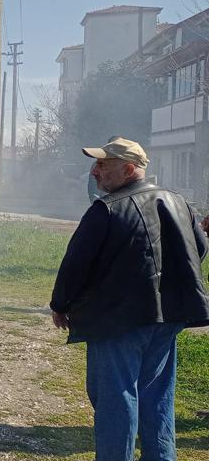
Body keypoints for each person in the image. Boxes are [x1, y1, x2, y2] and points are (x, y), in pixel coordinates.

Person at [50, 137, 209, 460]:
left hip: (117, 322)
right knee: (156, 397)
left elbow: (76, 264)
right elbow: (199, 250)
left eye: (102, 165)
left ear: (128, 169)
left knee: (116, 399)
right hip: (167, 320)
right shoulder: (179, 203)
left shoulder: (106, 210)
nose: (95, 172)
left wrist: (60, 304)